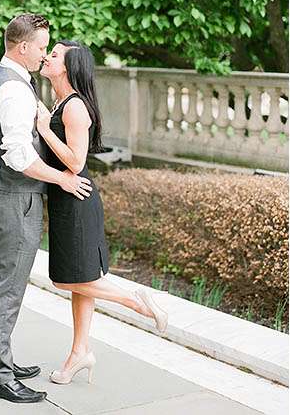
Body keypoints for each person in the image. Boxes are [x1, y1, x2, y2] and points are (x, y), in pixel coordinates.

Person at [37, 40, 168, 386]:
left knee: (67, 279)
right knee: (81, 284)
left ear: (68, 67)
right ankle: (79, 353)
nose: (47, 57)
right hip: (68, 199)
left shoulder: (74, 108)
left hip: (76, 201)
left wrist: (44, 130)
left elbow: (76, 162)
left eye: (54, 55)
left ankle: (139, 303)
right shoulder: (62, 102)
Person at [0, 13, 92, 404]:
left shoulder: (9, 78)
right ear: (23, 46)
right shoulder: (13, 91)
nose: (44, 55)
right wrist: (62, 179)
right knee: (8, 286)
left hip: (3, 191)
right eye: (42, 47)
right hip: (13, 195)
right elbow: (18, 156)